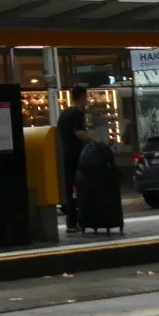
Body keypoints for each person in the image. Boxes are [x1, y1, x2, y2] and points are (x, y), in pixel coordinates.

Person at [56, 85, 95, 231]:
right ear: (83, 97)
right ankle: (75, 221)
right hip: (74, 155)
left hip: (64, 155)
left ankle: (71, 222)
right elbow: (79, 133)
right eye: (87, 97)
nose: (87, 100)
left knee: (69, 189)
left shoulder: (65, 112)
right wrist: (96, 142)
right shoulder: (78, 112)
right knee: (76, 188)